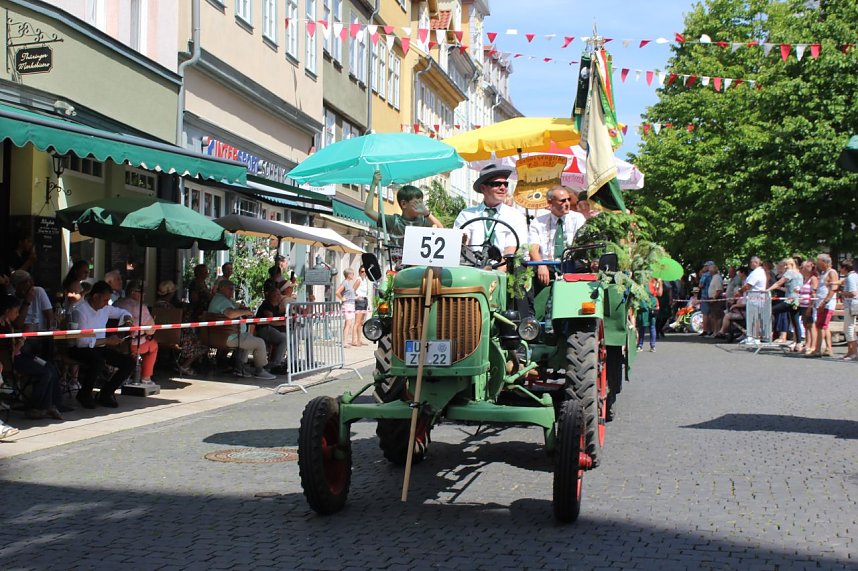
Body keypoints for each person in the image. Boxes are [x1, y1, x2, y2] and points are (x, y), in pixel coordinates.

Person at [67, 281, 136, 408]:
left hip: (99, 346)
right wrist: (107, 341)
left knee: (129, 362)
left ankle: (106, 393)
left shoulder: (106, 308)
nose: (106, 303)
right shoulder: (80, 311)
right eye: (105, 300)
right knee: (97, 361)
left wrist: (128, 320)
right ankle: (85, 394)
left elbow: (122, 312)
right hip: (79, 348)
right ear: (95, 297)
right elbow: (81, 342)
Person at [0, 295, 67, 420]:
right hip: (14, 360)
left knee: (50, 366)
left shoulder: (8, 322)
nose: (18, 314)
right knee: (45, 373)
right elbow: (10, 352)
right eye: (16, 311)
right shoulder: (2, 327)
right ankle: (37, 407)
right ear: (7, 311)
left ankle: (51, 404)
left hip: (22, 355)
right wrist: (23, 338)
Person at [454, 164, 528, 263]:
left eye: (505, 184)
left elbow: (511, 249)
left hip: (502, 270)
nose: (503, 188)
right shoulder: (467, 214)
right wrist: (462, 240)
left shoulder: (516, 216)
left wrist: (498, 270)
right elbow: (460, 243)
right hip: (472, 269)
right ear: (483, 188)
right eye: (496, 184)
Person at [208, 279, 276, 379]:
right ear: (222, 288)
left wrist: (243, 309)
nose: (232, 291)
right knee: (259, 342)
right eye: (230, 289)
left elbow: (236, 306)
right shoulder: (221, 300)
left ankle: (240, 368)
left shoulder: (223, 299)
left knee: (248, 337)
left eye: (233, 289)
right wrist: (246, 313)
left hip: (225, 335)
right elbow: (230, 313)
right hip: (228, 337)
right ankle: (259, 370)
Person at [528, 186, 587, 290]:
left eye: (568, 199)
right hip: (547, 264)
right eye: (562, 201)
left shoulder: (578, 218)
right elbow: (533, 248)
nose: (567, 203)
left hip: (571, 263)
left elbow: (583, 245)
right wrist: (541, 265)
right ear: (550, 203)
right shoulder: (538, 222)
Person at [364, 173, 442, 247]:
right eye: (417, 202)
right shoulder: (394, 221)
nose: (421, 206)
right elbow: (368, 211)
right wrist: (373, 185)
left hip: (417, 260)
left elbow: (442, 230)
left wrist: (427, 213)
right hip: (398, 260)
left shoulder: (423, 221)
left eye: (421, 202)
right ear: (404, 204)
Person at [154, 280, 208, 376]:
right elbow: (180, 322)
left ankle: (180, 362)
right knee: (199, 341)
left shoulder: (156, 305)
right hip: (173, 335)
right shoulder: (169, 307)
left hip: (158, 334)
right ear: (171, 293)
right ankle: (185, 365)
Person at [114, 280, 158, 385]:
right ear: (133, 292)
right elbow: (151, 330)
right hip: (132, 344)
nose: (144, 294)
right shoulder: (141, 307)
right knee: (154, 345)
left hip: (113, 343)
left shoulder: (116, 303)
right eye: (141, 291)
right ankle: (146, 377)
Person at [807, 253, 839, 357]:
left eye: (819, 261)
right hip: (821, 302)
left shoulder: (832, 272)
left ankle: (817, 350)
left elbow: (834, 288)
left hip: (826, 304)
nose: (817, 264)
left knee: (819, 326)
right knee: (824, 326)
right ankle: (828, 349)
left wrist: (825, 302)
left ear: (824, 262)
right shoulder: (824, 272)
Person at [768, 258, 803, 348]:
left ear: (791, 265)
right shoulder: (799, 274)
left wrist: (767, 290)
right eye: (785, 265)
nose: (785, 267)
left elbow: (779, 282)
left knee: (771, 311)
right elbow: (789, 289)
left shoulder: (789, 273)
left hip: (790, 300)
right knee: (795, 321)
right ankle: (798, 343)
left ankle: (769, 333)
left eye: (786, 265)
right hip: (796, 300)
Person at [254, 287, 288, 373]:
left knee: (285, 336)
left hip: (269, 328)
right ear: (271, 296)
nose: (278, 297)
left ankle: (277, 361)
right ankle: (275, 364)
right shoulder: (267, 305)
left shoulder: (275, 306)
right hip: (263, 329)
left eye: (279, 295)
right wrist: (282, 323)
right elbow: (270, 321)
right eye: (276, 295)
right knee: (284, 339)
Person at [797, 260, 818, 354]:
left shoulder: (813, 278)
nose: (801, 269)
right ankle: (807, 344)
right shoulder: (804, 278)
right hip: (802, 305)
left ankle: (813, 346)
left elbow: (813, 294)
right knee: (806, 325)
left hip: (809, 305)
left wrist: (810, 307)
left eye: (802, 267)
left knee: (811, 325)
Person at [637, 277, 663, 352]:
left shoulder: (655, 281)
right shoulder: (642, 281)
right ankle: (640, 345)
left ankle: (653, 346)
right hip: (643, 304)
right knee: (642, 325)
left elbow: (660, 294)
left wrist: (660, 283)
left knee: (652, 325)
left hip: (653, 305)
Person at [839, 259, 857, 361]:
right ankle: (850, 351)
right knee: (849, 328)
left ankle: (853, 352)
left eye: (841, 267)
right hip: (852, 305)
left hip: (851, 305)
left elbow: (853, 293)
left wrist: (842, 293)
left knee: (849, 329)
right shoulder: (855, 276)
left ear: (844, 268)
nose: (840, 269)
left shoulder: (850, 277)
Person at [336, 268, 359, 348]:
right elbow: (337, 292)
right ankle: (344, 342)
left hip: (351, 304)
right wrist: (342, 298)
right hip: (347, 304)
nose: (353, 275)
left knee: (348, 323)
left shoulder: (348, 283)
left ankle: (345, 341)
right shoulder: (345, 282)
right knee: (348, 324)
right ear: (348, 275)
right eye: (352, 274)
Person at [353, 266, 371, 346]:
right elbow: (352, 290)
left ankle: (360, 339)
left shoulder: (365, 280)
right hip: (359, 301)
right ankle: (354, 340)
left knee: (361, 322)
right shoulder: (359, 280)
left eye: (364, 271)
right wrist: (356, 297)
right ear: (359, 272)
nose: (363, 273)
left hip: (364, 300)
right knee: (357, 322)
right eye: (362, 271)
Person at [697, 261, 714, 336]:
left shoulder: (705, 275)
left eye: (705, 266)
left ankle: (705, 330)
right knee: (711, 314)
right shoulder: (715, 274)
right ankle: (712, 330)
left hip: (705, 295)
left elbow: (701, 285)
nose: (704, 267)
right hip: (713, 295)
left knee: (705, 313)